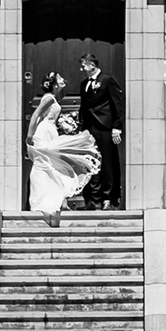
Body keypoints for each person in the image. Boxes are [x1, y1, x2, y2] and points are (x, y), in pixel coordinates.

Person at [26, 75, 99, 216]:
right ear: (54, 84)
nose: (63, 80)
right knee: (45, 165)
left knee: (55, 165)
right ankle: (42, 201)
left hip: (50, 130)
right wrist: (30, 135)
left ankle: (60, 201)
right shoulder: (49, 98)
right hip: (44, 132)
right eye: (59, 78)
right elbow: (36, 115)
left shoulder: (53, 97)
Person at [76, 52, 124, 209]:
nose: (81, 69)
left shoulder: (107, 80)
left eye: (83, 66)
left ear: (92, 65)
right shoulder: (84, 84)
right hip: (89, 129)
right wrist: (81, 126)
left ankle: (108, 198)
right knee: (91, 161)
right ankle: (92, 200)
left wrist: (116, 127)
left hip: (105, 127)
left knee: (107, 162)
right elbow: (84, 106)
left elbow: (117, 103)